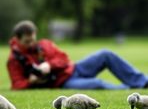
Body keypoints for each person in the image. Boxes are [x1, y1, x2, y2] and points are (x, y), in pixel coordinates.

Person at [7, 20, 148, 90]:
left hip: (75, 68)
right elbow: (16, 84)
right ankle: (130, 90)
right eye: (27, 41)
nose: (32, 44)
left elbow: (64, 59)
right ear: (17, 39)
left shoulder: (44, 44)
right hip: (63, 83)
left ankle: (143, 82)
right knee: (96, 84)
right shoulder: (14, 60)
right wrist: (31, 81)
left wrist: (48, 65)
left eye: (33, 39)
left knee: (106, 54)